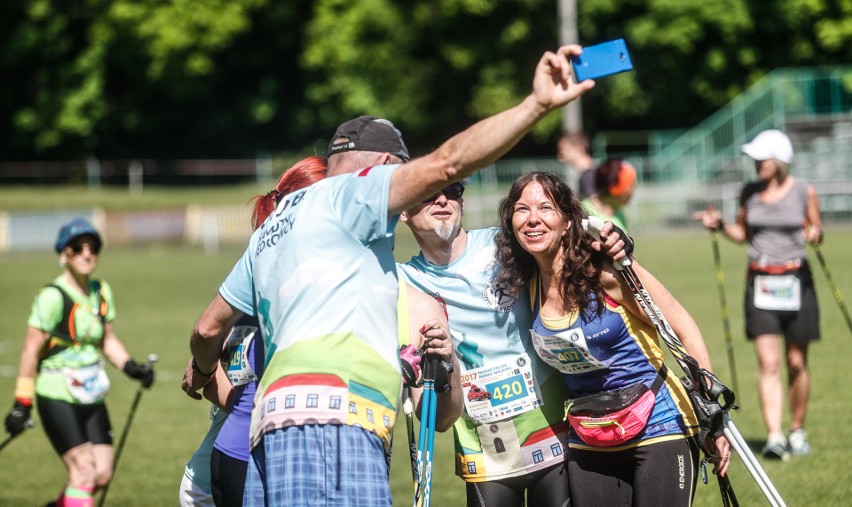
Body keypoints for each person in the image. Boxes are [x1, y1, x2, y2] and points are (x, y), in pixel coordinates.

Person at [181, 44, 596, 506]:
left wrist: (201, 372)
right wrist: (535, 105)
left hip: (271, 425)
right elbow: (449, 163)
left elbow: (206, 328)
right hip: (341, 417)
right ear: (382, 169)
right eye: (405, 177)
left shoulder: (273, 229)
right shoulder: (352, 195)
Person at [494, 172, 731, 506]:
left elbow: (679, 323)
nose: (533, 218)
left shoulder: (605, 270)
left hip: (659, 424)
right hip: (588, 436)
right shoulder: (526, 284)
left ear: (566, 222)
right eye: (522, 209)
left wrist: (710, 409)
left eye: (545, 208)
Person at [397, 179, 630, 507]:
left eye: (452, 191)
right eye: (425, 193)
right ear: (402, 211)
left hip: (555, 434)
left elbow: (565, 220)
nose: (442, 200)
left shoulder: (505, 245)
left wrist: (610, 232)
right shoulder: (402, 280)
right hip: (487, 454)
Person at [178, 157, 329, 507]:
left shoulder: (276, 266)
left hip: (228, 463)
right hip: (238, 467)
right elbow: (209, 350)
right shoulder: (274, 276)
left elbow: (207, 346)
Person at [4, 218, 154, 507]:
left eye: (93, 247)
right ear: (64, 254)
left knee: (102, 475)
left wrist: (131, 367)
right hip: (56, 392)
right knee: (84, 472)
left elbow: (107, 340)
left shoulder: (101, 291)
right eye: (77, 247)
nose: (87, 253)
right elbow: (29, 350)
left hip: (91, 392)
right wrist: (22, 402)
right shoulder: (52, 296)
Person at [694, 129, 822, 460]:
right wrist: (720, 225)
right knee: (769, 362)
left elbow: (815, 230)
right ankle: (775, 436)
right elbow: (742, 233)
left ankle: (797, 429)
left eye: (761, 158)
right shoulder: (748, 192)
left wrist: (815, 233)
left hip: (797, 282)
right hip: (761, 283)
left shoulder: (804, 191)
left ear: (779, 160)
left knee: (796, 362)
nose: (755, 163)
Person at [582, 157, 637, 231]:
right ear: (618, 190)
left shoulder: (618, 213)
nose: (634, 191)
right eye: (632, 186)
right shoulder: (584, 212)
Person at [557, 131, 597, 197]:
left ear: (578, 148)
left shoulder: (588, 175)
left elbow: (597, 204)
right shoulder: (590, 172)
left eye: (564, 149)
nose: (560, 154)